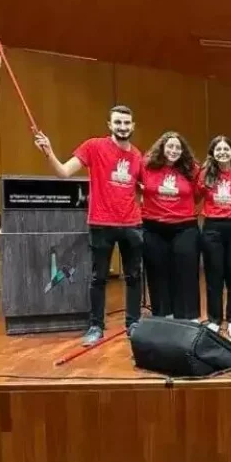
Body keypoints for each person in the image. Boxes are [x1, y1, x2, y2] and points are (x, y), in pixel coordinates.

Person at [33, 105, 144, 346]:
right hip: (101, 223)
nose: (122, 127)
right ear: (109, 125)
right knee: (98, 278)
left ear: (133, 126)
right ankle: (96, 326)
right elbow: (64, 173)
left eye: (126, 123)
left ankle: (133, 323)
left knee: (134, 276)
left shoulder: (138, 156)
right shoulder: (94, 146)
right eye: (118, 122)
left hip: (132, 225)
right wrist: (49, 151)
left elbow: (147, 187)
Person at [139, 131, 201, 321]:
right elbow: (133, 184)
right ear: (162, 148)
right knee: (157, 272)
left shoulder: (192, 169)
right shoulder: (146, 165)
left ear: (183, 151)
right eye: (170, 146)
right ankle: (163, 316)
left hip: (184, 227)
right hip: (153, 227)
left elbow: (198, 195)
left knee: (186, 272)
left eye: (177, 147)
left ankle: (188, 317)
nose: (174, 150)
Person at [198, 136, 231, 337]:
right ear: (212, 153)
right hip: (212, 228)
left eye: (226, 149)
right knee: (214, 275)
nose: (222, 152)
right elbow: (196, 193)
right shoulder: (206, 175)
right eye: (218, 149)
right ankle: (214, 319)